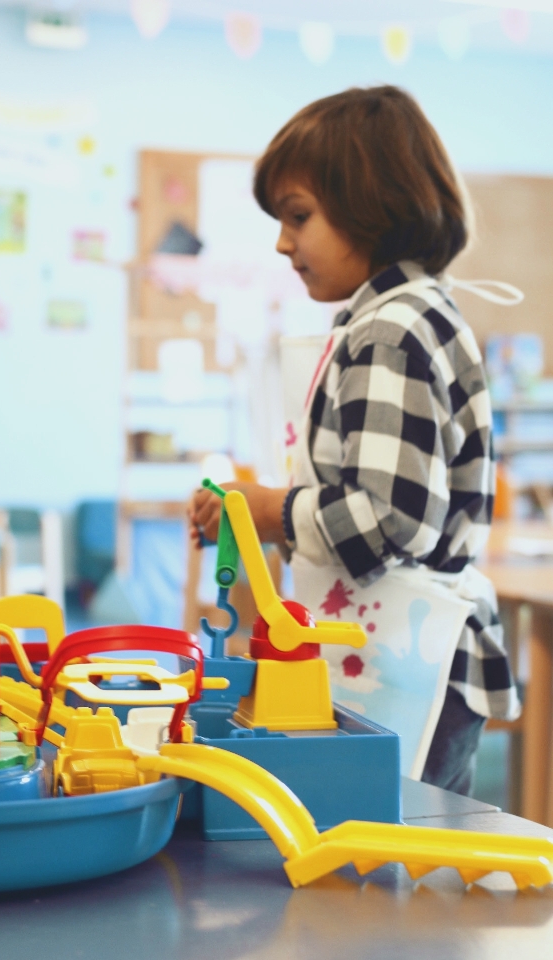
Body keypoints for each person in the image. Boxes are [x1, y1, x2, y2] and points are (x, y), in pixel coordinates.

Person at [188, 85, 520, 796]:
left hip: (416, 661)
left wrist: (268, 510)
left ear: (374, 205)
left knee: (393, 847)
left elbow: (390, 517)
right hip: (412, 655)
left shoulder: (391, 330)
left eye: (298, 216)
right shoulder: (402, 316)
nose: (283, 243)